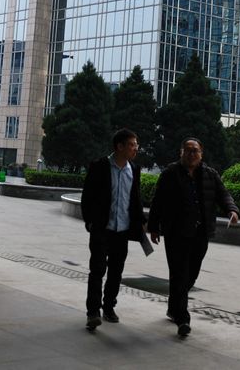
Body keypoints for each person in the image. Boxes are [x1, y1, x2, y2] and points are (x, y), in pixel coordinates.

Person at [147, 137, 239, 337]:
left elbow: (224, 195)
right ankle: (183, 319)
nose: (191, 154)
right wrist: (154, 227)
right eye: (188, 150)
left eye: (195, 150)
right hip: (176, 234)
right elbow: (158, 201)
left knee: (191, 274)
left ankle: (174, 306)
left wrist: (232, 210)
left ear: (201, 154)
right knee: (179, 274)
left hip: (200, 234)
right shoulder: (170, 174)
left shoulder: (210, 174)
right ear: (181, 152)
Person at [81, 128, 146, 331]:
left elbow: (135, 199)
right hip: (102, 228)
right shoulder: (99, 166)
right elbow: (87, 196)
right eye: (132, 144)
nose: (136, 148)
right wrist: (90, 222)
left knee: (116, 271)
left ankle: (109, 307)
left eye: (136, 145)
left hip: (122, 230)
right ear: (119, 146)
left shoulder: (133, 170)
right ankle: (93, 312)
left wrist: (142, 223)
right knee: (98, 269)